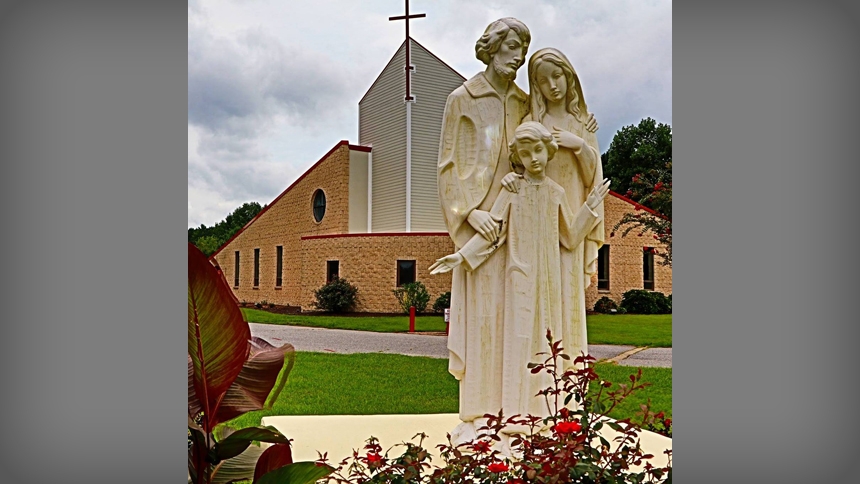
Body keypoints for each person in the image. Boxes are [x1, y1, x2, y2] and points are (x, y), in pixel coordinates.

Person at [432, 122, 610, 437]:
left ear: (549, 150)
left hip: (549, 283)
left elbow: (569, 238)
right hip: (520, 278)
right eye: (526, 153)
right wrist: (462, 256)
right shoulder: (511, 189)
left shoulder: (555, 192)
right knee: (518, 343)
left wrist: (590, 209)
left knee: (546, 344)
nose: (534, 159)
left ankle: (543, 412)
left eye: (539, 150)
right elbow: (494, 233)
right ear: (519, 157)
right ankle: (514, 415)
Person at [436, 17, 532, 444]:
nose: (519, 56)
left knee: (514, 317)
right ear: (491, 47)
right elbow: (448, 165)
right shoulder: (463, 98)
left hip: (518, 223)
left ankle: (515, 411)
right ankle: (476, 414)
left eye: (524, 49)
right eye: (512, 46)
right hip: (478, 227)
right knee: (481, 317)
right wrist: (468, 213)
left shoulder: (526, 104)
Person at [502, 48, 605, 370]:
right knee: (537, 296)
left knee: (569, 295)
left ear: (569, 76)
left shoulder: (582, 123)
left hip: (573, 212)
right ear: (536, 85)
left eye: (557, 76)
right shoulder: (533, 122)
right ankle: (537, 374)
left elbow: (592, 177)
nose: (553, 86)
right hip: (538, 221)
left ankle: (571, 371)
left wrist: (579, 145)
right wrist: (510, 177)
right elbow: (520, 161)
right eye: (543, 80)